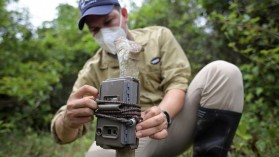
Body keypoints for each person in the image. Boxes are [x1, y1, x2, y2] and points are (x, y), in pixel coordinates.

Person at [51, 0, 244, 157]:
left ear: (124, 15)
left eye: (108, 21)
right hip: (120, 136)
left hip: (170, 124)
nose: (104, 32)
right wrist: (68, 120)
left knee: (223, 71)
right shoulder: (91, 69)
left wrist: (163, 114)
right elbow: (63, 135)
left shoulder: (159, 37)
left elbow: (177, 85)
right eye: (95, 29)